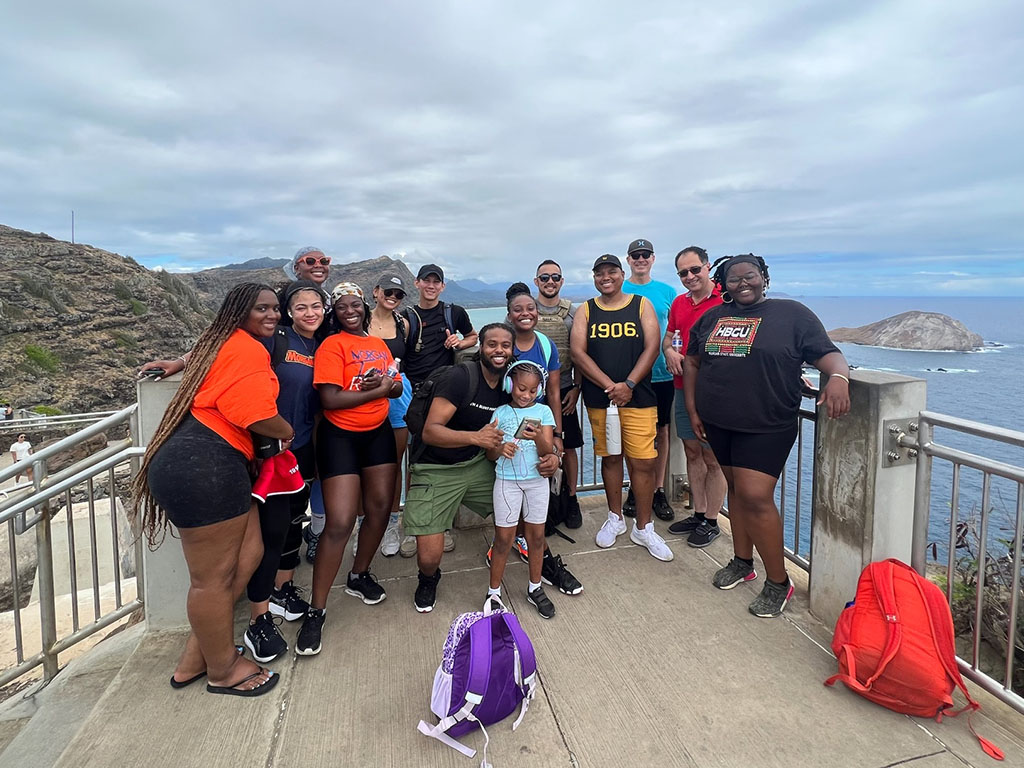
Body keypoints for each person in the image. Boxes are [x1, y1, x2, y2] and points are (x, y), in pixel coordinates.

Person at [131, 282, 293, 696]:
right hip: (207, 466)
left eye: (275, 308)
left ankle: (194, 658)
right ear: (239, 313)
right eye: (262, 309)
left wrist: (178, 361)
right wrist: (286, 431)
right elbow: (256, 414)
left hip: (207, 463)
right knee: (211, 580)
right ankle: (222, 671)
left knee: (250, 552)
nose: (272, 315)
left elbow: (204, 354)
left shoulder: (224, 341)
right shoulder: (249, 348)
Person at [685, 254, 851, 617]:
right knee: (737, 494)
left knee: (755, 497)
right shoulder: (712, 318)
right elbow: (693, 363)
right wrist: (695, 410)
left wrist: (838, 378)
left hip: (767, 423)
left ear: (764, 278)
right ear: (722, 285)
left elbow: (828, 354)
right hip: (718, 421)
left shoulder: (792, 315)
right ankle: (743, 562)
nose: (743, 283)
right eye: (733, 279)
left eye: (751, 276)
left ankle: (779, 581)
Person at [403, 323, 579, 613]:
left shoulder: (511, 391)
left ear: (512, 352)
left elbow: (537, 429)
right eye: (491, 344)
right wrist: (475, 437)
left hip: (478, 463)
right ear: (480, 347)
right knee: (429, 557)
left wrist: (554, 453)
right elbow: (430, 432)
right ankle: (428, 578)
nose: (498, 350)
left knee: (527, 512)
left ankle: (544, 565)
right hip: (437, 468)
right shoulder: (460, 378)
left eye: (505, 346)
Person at [295, 283, 403, 655]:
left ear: (365, 308)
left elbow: (395, 387)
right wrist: (378, 389)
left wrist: (385, 386)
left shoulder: (378, 345)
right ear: (334, 313)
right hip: (339, 437)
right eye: (342, 307)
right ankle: (317, 608)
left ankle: (358, 575)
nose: (350, 311)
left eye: (356, 305)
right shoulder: (332, 346)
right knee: (340, 522)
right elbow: (331, 398)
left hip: (378, 434)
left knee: (378, 509)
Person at [243, 280, 328, 662]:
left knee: (295, 522)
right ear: (289, 311)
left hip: (303, 448)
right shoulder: (275, 340)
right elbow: (222, 354)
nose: (310, 313)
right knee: (271, 532)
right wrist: (181, 363)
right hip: (270, 452)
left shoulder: (320, 344)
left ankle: (282, 589)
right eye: (301, 307)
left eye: (316, 306)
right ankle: (257, 620)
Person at [570, 254, 673, 561]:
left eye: (611, 271)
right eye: (600, 273)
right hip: (602, 400)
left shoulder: (640, 305)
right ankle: (615, 517)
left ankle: (644, 527)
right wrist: (610, 387)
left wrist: (628, 385)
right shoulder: (586, 310)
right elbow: (578, 352)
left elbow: (652, 346)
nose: (606, 277)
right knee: (611, 457)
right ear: (594, 278)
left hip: (639, 396)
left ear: (621, 273)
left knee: (643, 462)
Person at [400, 263, 478, 557]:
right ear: (418, 283)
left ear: (442, 286)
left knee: (442, 456)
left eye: (437, 282)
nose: (431, 286)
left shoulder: (453, 312)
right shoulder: (406, 317)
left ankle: (440, 524)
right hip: (415, 394)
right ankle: (413, 525)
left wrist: (460, 340)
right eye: (426, 281)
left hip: (446, 393)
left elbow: (473, 337)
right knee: (415, 458)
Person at [663, 246, 727, 548]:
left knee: (713, 457)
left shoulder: (726, 300)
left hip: (713, 392)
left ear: (707, 266)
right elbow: (670, 336)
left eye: (694, 270)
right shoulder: (679, 303)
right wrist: (668, 351)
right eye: (683, 273)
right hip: (681, 389)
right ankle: (699, 513)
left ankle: (713, 520)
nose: (689, 276)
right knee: (692, 452)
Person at [485, 361, 557, 619]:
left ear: (539, 390)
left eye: (532, 391)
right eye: (521, 388)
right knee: (503, 539)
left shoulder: (545, 412)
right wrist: (500, 449)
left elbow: (547, 451)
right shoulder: (500, 412)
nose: (526, 395)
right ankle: (493, 592)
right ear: (509, 384)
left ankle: (535, 587)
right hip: (506, 481)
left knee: (536, 537)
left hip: (536, 482)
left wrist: (537, 435)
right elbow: (490, 454)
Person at [621, 239, 679, 522]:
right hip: (630, 377)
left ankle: (657, 489)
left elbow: (677, 331)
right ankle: (634, 487)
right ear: (628, 260)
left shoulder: (668, 292)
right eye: (635, 255)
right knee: (631, 433)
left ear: (653, 259)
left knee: (662, 432)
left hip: (662, 374)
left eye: (645, 255)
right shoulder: (620, 290)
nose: (640, 259)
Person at [532, 261, 584, 528]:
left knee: (569, 447)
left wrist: (577, 387)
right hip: (529, 394)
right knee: (532, 447)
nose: (549, 281)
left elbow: (581, 352)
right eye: (544, 277)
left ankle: (571, 499)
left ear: (561, 281)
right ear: (536, 281)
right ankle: (543, 505)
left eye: (555, 277)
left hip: (564, 389)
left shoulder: (573, 313)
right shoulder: (525, 310)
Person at [368, 272, 413, 557]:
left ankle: (392, 523)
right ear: (376, 291)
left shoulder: (403, 324)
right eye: (388, 292)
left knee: (395, 462)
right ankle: (365, 524)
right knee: (365, 464)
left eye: (398, 294)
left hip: (398, 395)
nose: (392, 298)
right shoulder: (360, 320)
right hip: (364, 395)